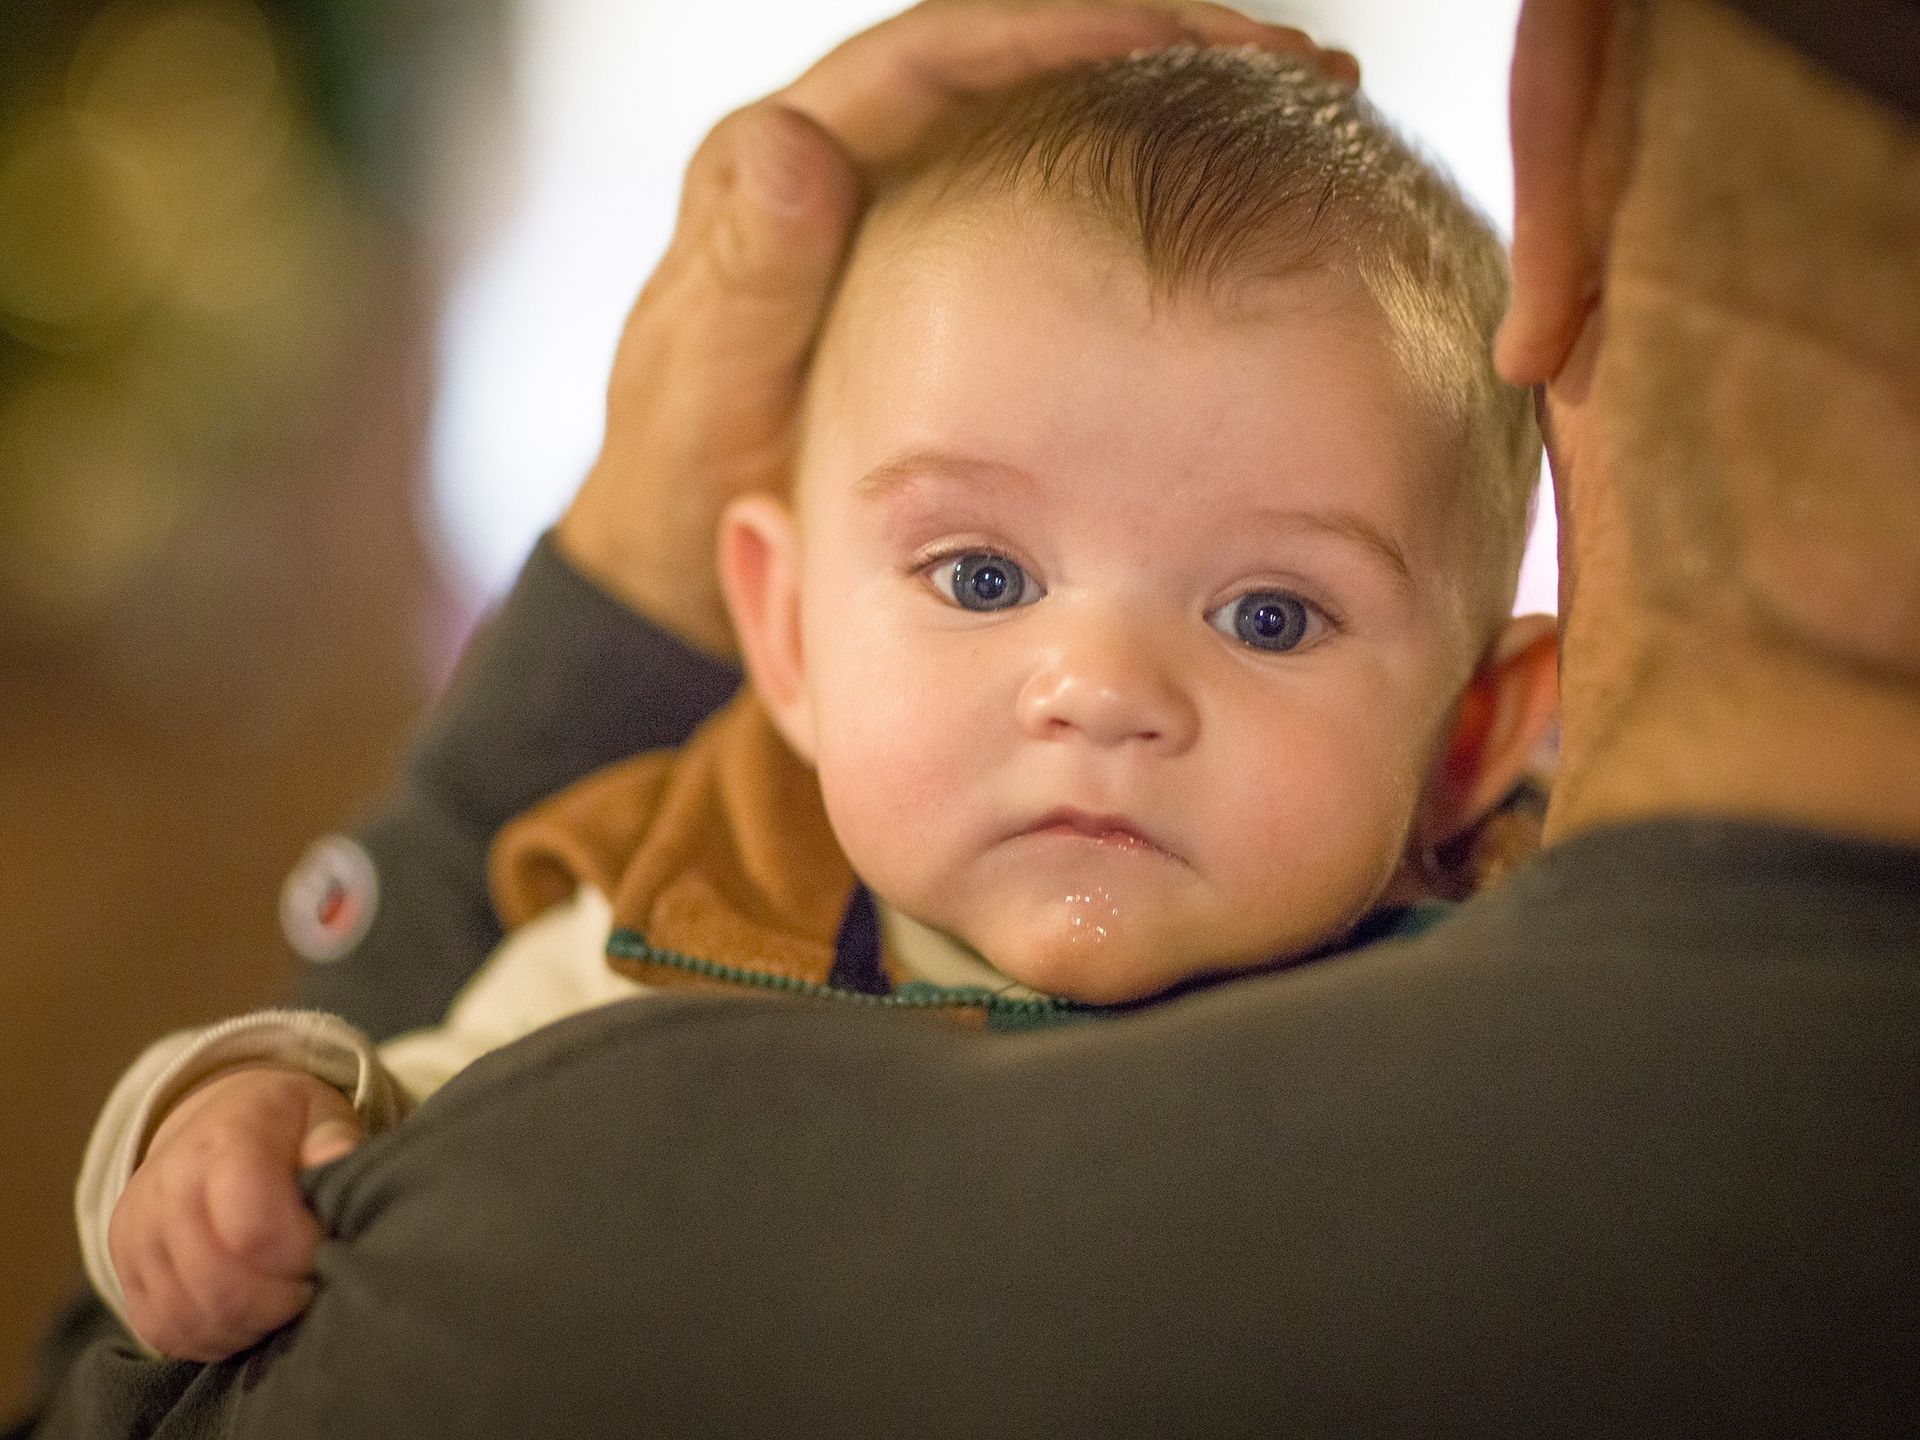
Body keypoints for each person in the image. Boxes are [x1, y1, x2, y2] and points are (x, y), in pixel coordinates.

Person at [24, 0, 1919, 1433]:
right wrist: (231, 1116)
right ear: (777, 624)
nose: (1097, 691)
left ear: (1479, 731)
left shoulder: (1510, 1011)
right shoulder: (654, 928)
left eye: (1272, 613)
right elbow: (338, 1117)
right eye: (982, 578)